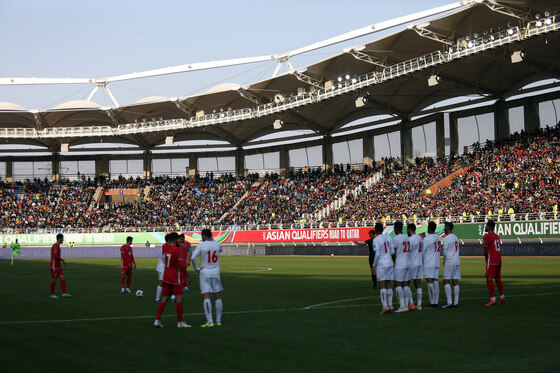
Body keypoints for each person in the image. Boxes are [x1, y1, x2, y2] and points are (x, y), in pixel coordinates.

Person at [154, 232, 190, 328]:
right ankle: (180, 322)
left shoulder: (165, 248)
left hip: (166, 276)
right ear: (176, 240)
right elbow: (182, 265)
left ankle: (157, 320)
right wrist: (187, 276)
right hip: (174, 277)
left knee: (164, 299)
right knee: (179, 299)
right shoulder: (178, 250)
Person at [191, 229, 224, 327]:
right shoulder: (218, 244)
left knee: (206, 296)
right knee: (217, 295)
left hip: (204, 272)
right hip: (216, 272)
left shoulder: (201, 245)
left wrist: (197, 268)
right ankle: (218, 320)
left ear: (204, 236)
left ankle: (210, 321)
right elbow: (220, 250)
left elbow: (193, 258)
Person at [372, 222, 395, 314]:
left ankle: (385, 307)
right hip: (389, 263)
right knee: (388, 285)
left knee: (382, 285)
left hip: (381, 264)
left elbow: (377, 254)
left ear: (375, 231)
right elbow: (392, 251)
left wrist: (374, 265)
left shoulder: (376, 240)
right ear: (382, 229)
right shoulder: (389, 237)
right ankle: (390, 306)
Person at [483, 220, 505, 306]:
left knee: (489, 278)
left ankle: (493, 299)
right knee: (497, 278)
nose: (485, 227)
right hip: (499, 259)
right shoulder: (497, 236)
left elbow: (485, 250)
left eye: (486, 225)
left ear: (489, 227)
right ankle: (502, 297)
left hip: (491, 259)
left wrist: (486, 259)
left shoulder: (487, 237)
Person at [392, 221, 412, 313]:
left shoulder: (396, 239)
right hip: (408, 263)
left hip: (400, 263)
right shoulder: (407, 238)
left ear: (396, 229)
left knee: (397, 284)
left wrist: (395, 262)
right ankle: (407, 305)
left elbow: (393, 252)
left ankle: (402, 306)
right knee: (406, 285)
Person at [422, 221, 441, 309]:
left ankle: (432, 302)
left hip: (429, 262)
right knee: (435, 281)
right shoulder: (438, 237)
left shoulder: (427, 239)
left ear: (429, 228)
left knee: (429, 281)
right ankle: (436, 301)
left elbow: (423, 252)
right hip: (436, 261)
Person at [442, 222, 460, 308]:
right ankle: (456, 302)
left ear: (448, 228)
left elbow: (445, 252)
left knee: (446, 281)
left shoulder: (447, 238)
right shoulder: (456, 237)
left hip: (449, 261)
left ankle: (449, 302)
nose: (444, 228)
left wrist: (444, 262)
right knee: (455, 282)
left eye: (445, 227)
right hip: (457, 261)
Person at [50, 233, 72, 299]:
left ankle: (64, 293)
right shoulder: (55, 246)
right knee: (54, 279)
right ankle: (51, 294)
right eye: (62, 238)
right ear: (59, 239)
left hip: (58, 266)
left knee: (62, 278)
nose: (63, 240)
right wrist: (62, 260)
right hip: (54, 266)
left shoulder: (57, 246)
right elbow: (55, 256)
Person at [407, 223, 423, 310]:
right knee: (418, 283)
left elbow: (408, 251)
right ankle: (419, 304)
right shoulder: (419, 238)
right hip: (419, 262)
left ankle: (411, 303)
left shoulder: (410, 239)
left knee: (407, 283)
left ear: (409, 229)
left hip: (412, 263)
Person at [155, 235, 168, 303]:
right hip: (162, 267)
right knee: (161, 282)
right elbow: (163, 258)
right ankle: (157, 298)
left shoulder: (165, 246)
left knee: (169, 282)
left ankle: (172, 296)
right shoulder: (164, 247)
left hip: (165, 266)